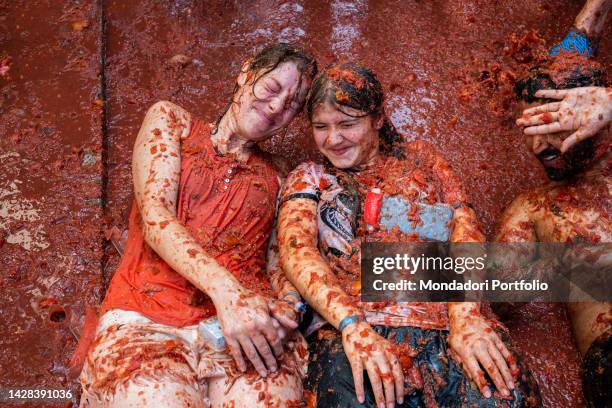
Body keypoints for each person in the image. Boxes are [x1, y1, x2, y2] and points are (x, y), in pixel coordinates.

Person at [278, 63, 540, 408]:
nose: (333, 139)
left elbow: (466, 227)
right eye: (320, 126)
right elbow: (297, 251)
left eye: (347, 124)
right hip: (356, 328)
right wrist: (353, 326)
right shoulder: (309, 177)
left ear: (378, 119)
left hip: (447, 322)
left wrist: (466, 319)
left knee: (506, 397)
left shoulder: (423, 160)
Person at [75, 43, 317, 407]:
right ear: (246, 73)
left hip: (246, 327)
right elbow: (156, 217)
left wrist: (287, 307)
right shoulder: (171, 121)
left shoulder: (281, 174)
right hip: (147, 317)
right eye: (271, 89)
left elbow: (276, 263)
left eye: (292, 105)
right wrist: (227, 294)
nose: (276, 107)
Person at [501, 2, 611, 404]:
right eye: (527, 128)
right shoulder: (534, 207)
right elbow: (500, 290)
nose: (534, 145)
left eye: (548, 123)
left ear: (591, 113)